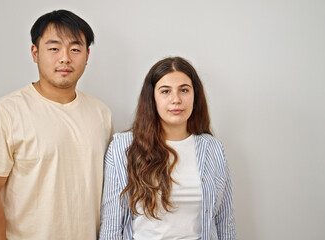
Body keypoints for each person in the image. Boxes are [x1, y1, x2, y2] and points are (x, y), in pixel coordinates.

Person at [0, 10, 112, 240]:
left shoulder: (101, 114)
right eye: (54, 48)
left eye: (75, 49)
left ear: (87, 55)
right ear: (35, 53)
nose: (65, 58)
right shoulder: (6, 112)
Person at [99, 57, 237, 239]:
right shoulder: (123, 147)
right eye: (165, 91)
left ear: (195, 96)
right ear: (152, 98)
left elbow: (225, 222)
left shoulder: (213, 148)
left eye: (184, 90)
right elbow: (111, 226)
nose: (176, 100)